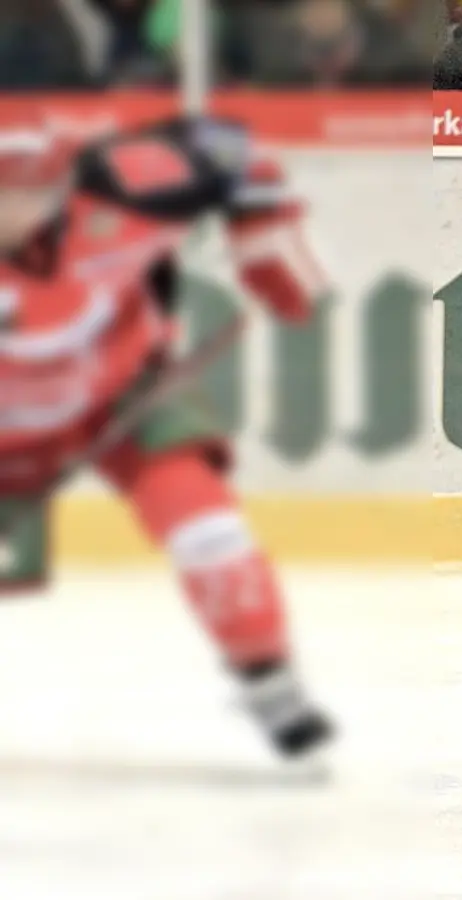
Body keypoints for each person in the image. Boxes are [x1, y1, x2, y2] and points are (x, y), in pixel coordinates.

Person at [0, 106, 334, 760]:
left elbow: (233, 154)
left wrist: (265, 246)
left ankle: (267, 680)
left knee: (208, 527)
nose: (16, 206)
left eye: (33, 186)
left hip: (123, 393)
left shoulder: (128, 182)